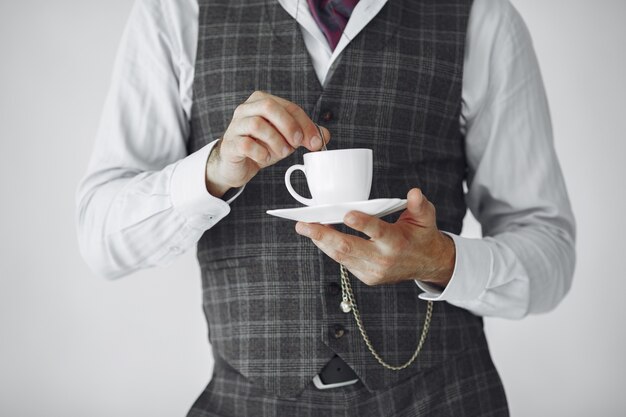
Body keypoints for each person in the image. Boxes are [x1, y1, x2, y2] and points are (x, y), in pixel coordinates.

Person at [76, 0, 576, 415]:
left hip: (445, 399)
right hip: (243, 403)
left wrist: (442, 262)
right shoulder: (176, 12)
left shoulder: (481, 17)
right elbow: (101, 241)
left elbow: (549, 250)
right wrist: (209, 173)